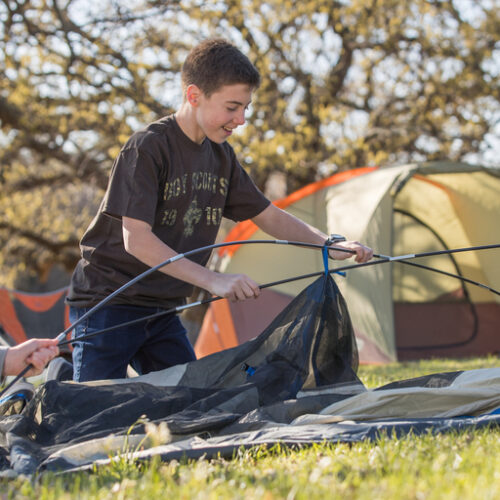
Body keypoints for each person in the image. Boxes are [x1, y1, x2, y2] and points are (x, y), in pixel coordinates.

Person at [66, 38, 373, 383]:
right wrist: (214, 280)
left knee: (191, 401)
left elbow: (268, 215)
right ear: (194, 95)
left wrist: (327, 243)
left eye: (246, 108)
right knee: (91, 406)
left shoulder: (221, 157)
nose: (240, 119)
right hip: (109, 302)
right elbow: (136, 240)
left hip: (163, 308)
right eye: (231, 107)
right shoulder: (148, 147)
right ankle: (59, 374)